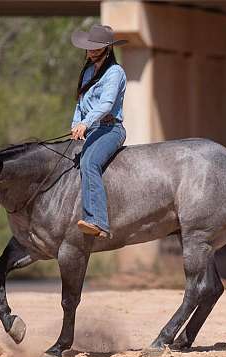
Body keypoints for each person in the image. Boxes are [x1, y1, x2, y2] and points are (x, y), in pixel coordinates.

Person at [70, 24, 128, 239]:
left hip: (111, 129)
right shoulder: (87, 71)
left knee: (89, 163)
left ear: (108, 49)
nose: (91, 52)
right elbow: (80, 102)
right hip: (91, 128)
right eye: (89, 48)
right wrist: (76, 124)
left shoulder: (115, 72)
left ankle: (98, 221)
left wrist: (85, 123)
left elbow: (106, 104)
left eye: (96, 49)